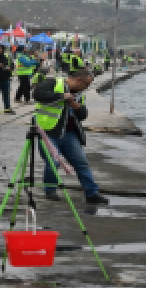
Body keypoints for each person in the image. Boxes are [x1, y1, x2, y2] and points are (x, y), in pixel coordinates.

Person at [33, 67, 108, 204]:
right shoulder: (53, 83)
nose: (87, 87)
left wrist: (77, 107)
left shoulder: (80, 94)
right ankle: (50, 190)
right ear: (79, 80)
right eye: (86, 84)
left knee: (82, 163)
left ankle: (92, 193)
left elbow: (83, 116)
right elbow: (38, 94)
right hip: (49, 132)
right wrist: (61, 96)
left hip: (70, 134)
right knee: (53, 162)